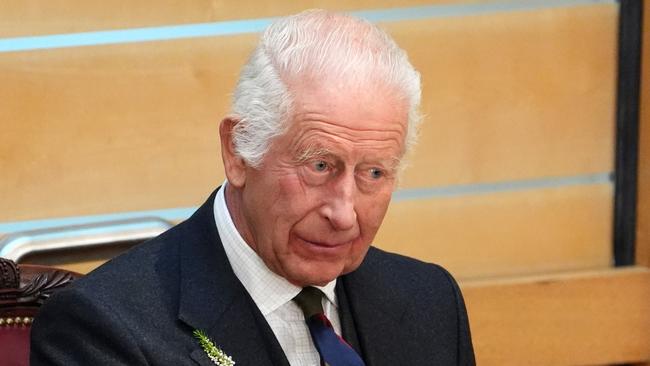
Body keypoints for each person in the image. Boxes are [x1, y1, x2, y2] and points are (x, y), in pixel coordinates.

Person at [31, 9, 475, 366]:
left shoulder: (430, 301)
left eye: (373, 173)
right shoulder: (105, 329)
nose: (344, 214)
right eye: (320, 166)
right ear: (238, 152)